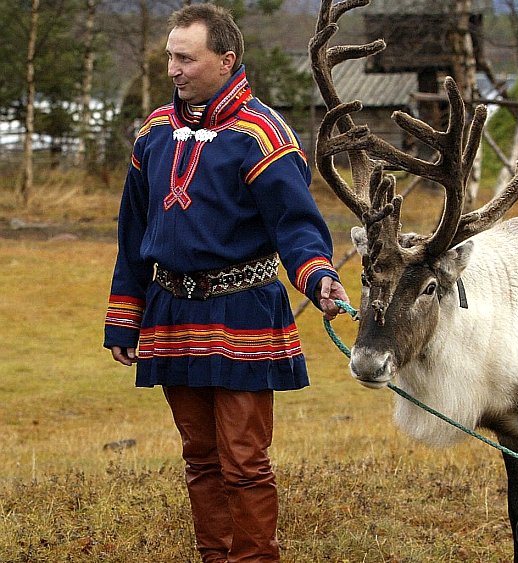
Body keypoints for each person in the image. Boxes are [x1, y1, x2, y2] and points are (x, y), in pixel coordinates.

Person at [103, 4, 349, 562]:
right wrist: (124, 313)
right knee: (200, 457)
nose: (174, 68)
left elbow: (297, 226)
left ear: (226, 60)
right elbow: (133, 230)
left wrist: (318, 278)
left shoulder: (263, 135)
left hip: (241, 310)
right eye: (170, 56)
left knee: (244, 459)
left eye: (186, 58)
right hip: (170, 310)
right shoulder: (154, 132)